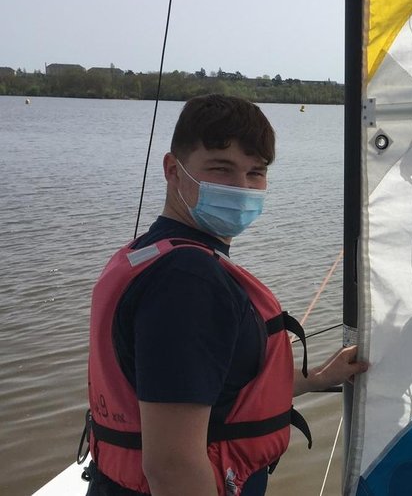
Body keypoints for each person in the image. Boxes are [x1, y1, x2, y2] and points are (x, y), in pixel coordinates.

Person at [81, 94, 368, 496]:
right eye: (221, 169)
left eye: (256, 172)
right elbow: (172, 466)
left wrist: (317, 378)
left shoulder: (152, 254)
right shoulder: (188, 280)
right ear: (172, 170)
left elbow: (207, 393)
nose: (242, 187)